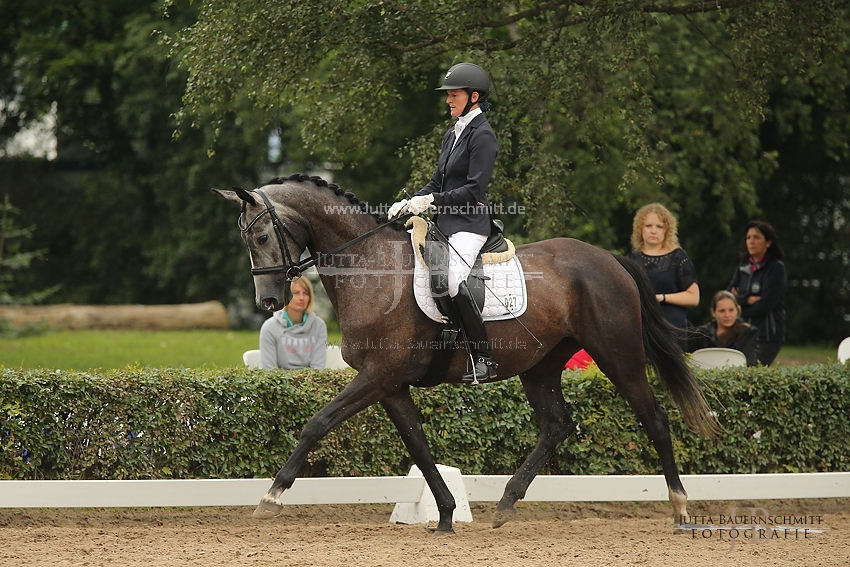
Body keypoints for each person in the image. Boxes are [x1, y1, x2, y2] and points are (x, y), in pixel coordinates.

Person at [388, 62, 498, 382]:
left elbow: (474, 189)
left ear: (473, 96)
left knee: (452, 282)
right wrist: (410, 203)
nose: (448, 100)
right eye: (448, 95)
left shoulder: (484, 136)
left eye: (454, 95)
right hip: (446, 223)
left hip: (470, 223)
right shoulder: (453, 133)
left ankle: (484, 358)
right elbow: (438, 182)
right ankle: (444, 337)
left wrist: (432, 201)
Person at [627, 203, 700, 349]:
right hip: (641, 330)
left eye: (659, 226)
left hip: (673, 330)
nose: (653, 231)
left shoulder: (678, 258)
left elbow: (694, 297)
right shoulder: (631, 260)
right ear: (640, 229)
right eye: (648, 226)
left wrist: (662, 298)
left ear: (667, 230)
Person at [727, 220, 787, 366]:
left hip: (767, 335)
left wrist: (738, 305)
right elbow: (728, 298)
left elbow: (766, 305)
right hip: (743, 334)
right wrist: (747, 299)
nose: (751, 241)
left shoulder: (776, 268)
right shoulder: (743, 266)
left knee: (754, 375)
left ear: (768, 242)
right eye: (748, 237)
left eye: (757, 237)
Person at [259, 276, 328, 369]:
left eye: (306, 293)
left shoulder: (319, 326)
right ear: (285, 296)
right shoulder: (269, 328)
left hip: (312, 382)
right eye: (296, 293)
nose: (301, 298)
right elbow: (269, 370)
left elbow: (318, 368)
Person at [689, 290, 759, 366]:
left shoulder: (748, 333)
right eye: (722, 311)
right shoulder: (700, 334)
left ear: (737, 310)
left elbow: (750, 363)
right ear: (713, 312)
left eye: (731, 310)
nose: (727, 315)